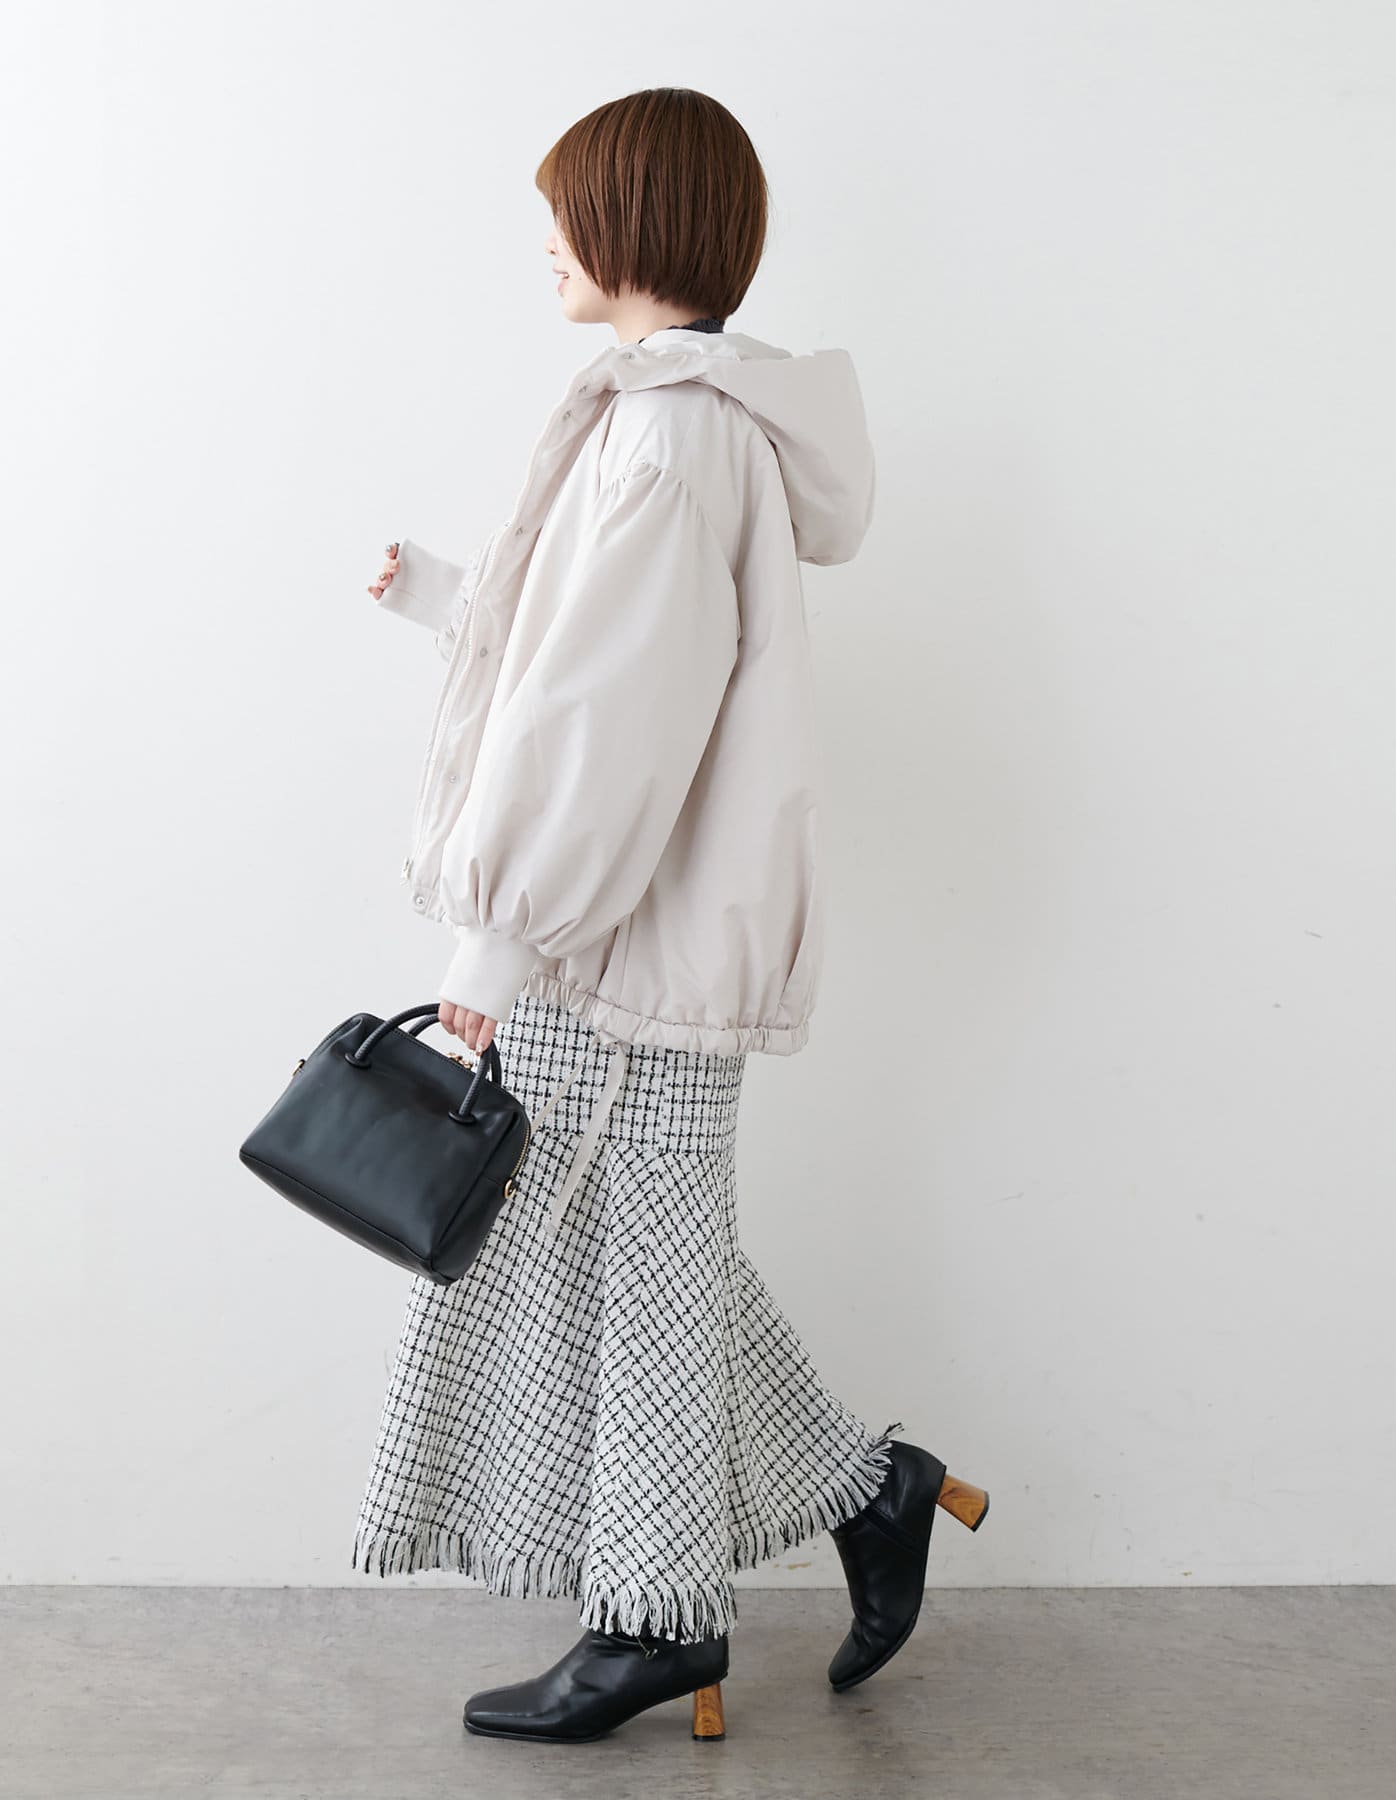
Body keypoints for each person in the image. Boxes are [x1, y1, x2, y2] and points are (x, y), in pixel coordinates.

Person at [354, 85, 989, 1748]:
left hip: (621, 937)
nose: (545, 243)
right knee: (641, 1249)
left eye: (566, 212)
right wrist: (445, 597)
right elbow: (583, 657)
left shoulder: (668, 436)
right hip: (639, 929)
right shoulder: (677, 422)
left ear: (634, 224)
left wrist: (496, 941)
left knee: (628, 1264)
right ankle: (864, 1493)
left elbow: (605, 723)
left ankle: (657, 1618)